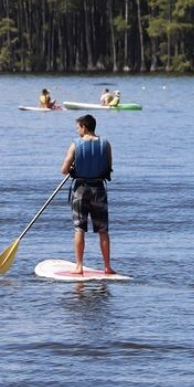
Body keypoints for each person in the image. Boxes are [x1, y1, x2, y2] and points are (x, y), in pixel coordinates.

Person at [60, 114, 115, 274]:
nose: (77, 131)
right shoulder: (106, 144)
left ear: (84, 127)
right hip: (98, 190)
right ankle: (107, 267)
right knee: (103, 230)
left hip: (81, 190)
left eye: (78, 127)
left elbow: (64, 170)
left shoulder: (75, 144)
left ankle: (79, 266)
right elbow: (108, 168)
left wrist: (72, 169)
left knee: (79, 229)